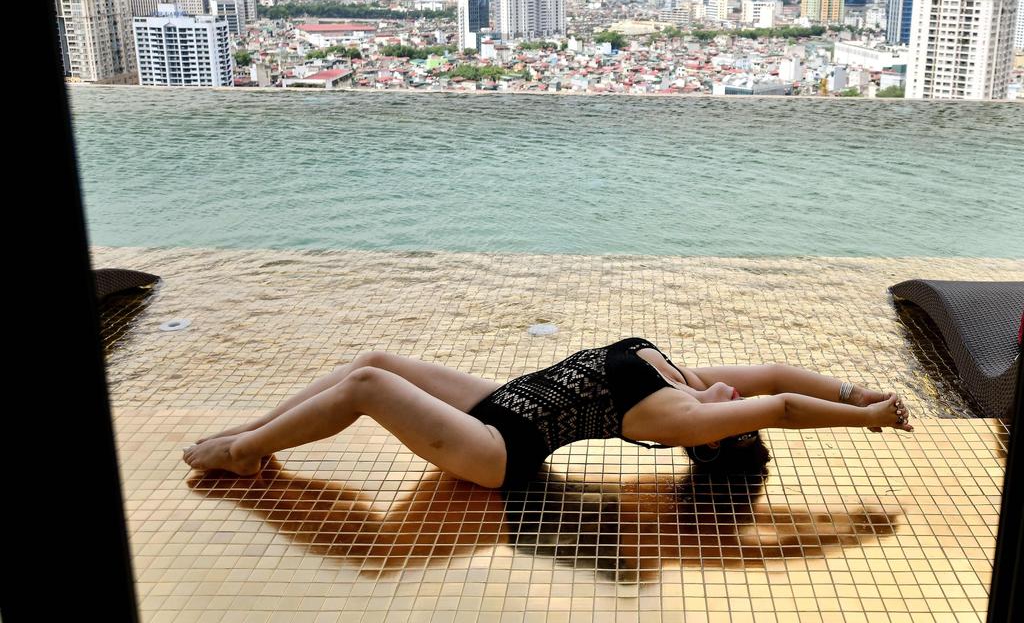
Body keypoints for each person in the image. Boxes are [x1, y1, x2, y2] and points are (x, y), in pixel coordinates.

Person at [183, 337, 913, 488]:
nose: (740, 400)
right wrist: (858, 391)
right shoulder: (692, 382)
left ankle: (244, 454)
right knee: (373, 360)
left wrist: (872, 422)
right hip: (500, 399)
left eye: (737, 417)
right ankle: (251, 434)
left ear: (718, 436)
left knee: (366, 392)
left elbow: (782, 403)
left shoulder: (674, 417)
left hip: (496, 448)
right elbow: (783, 373)